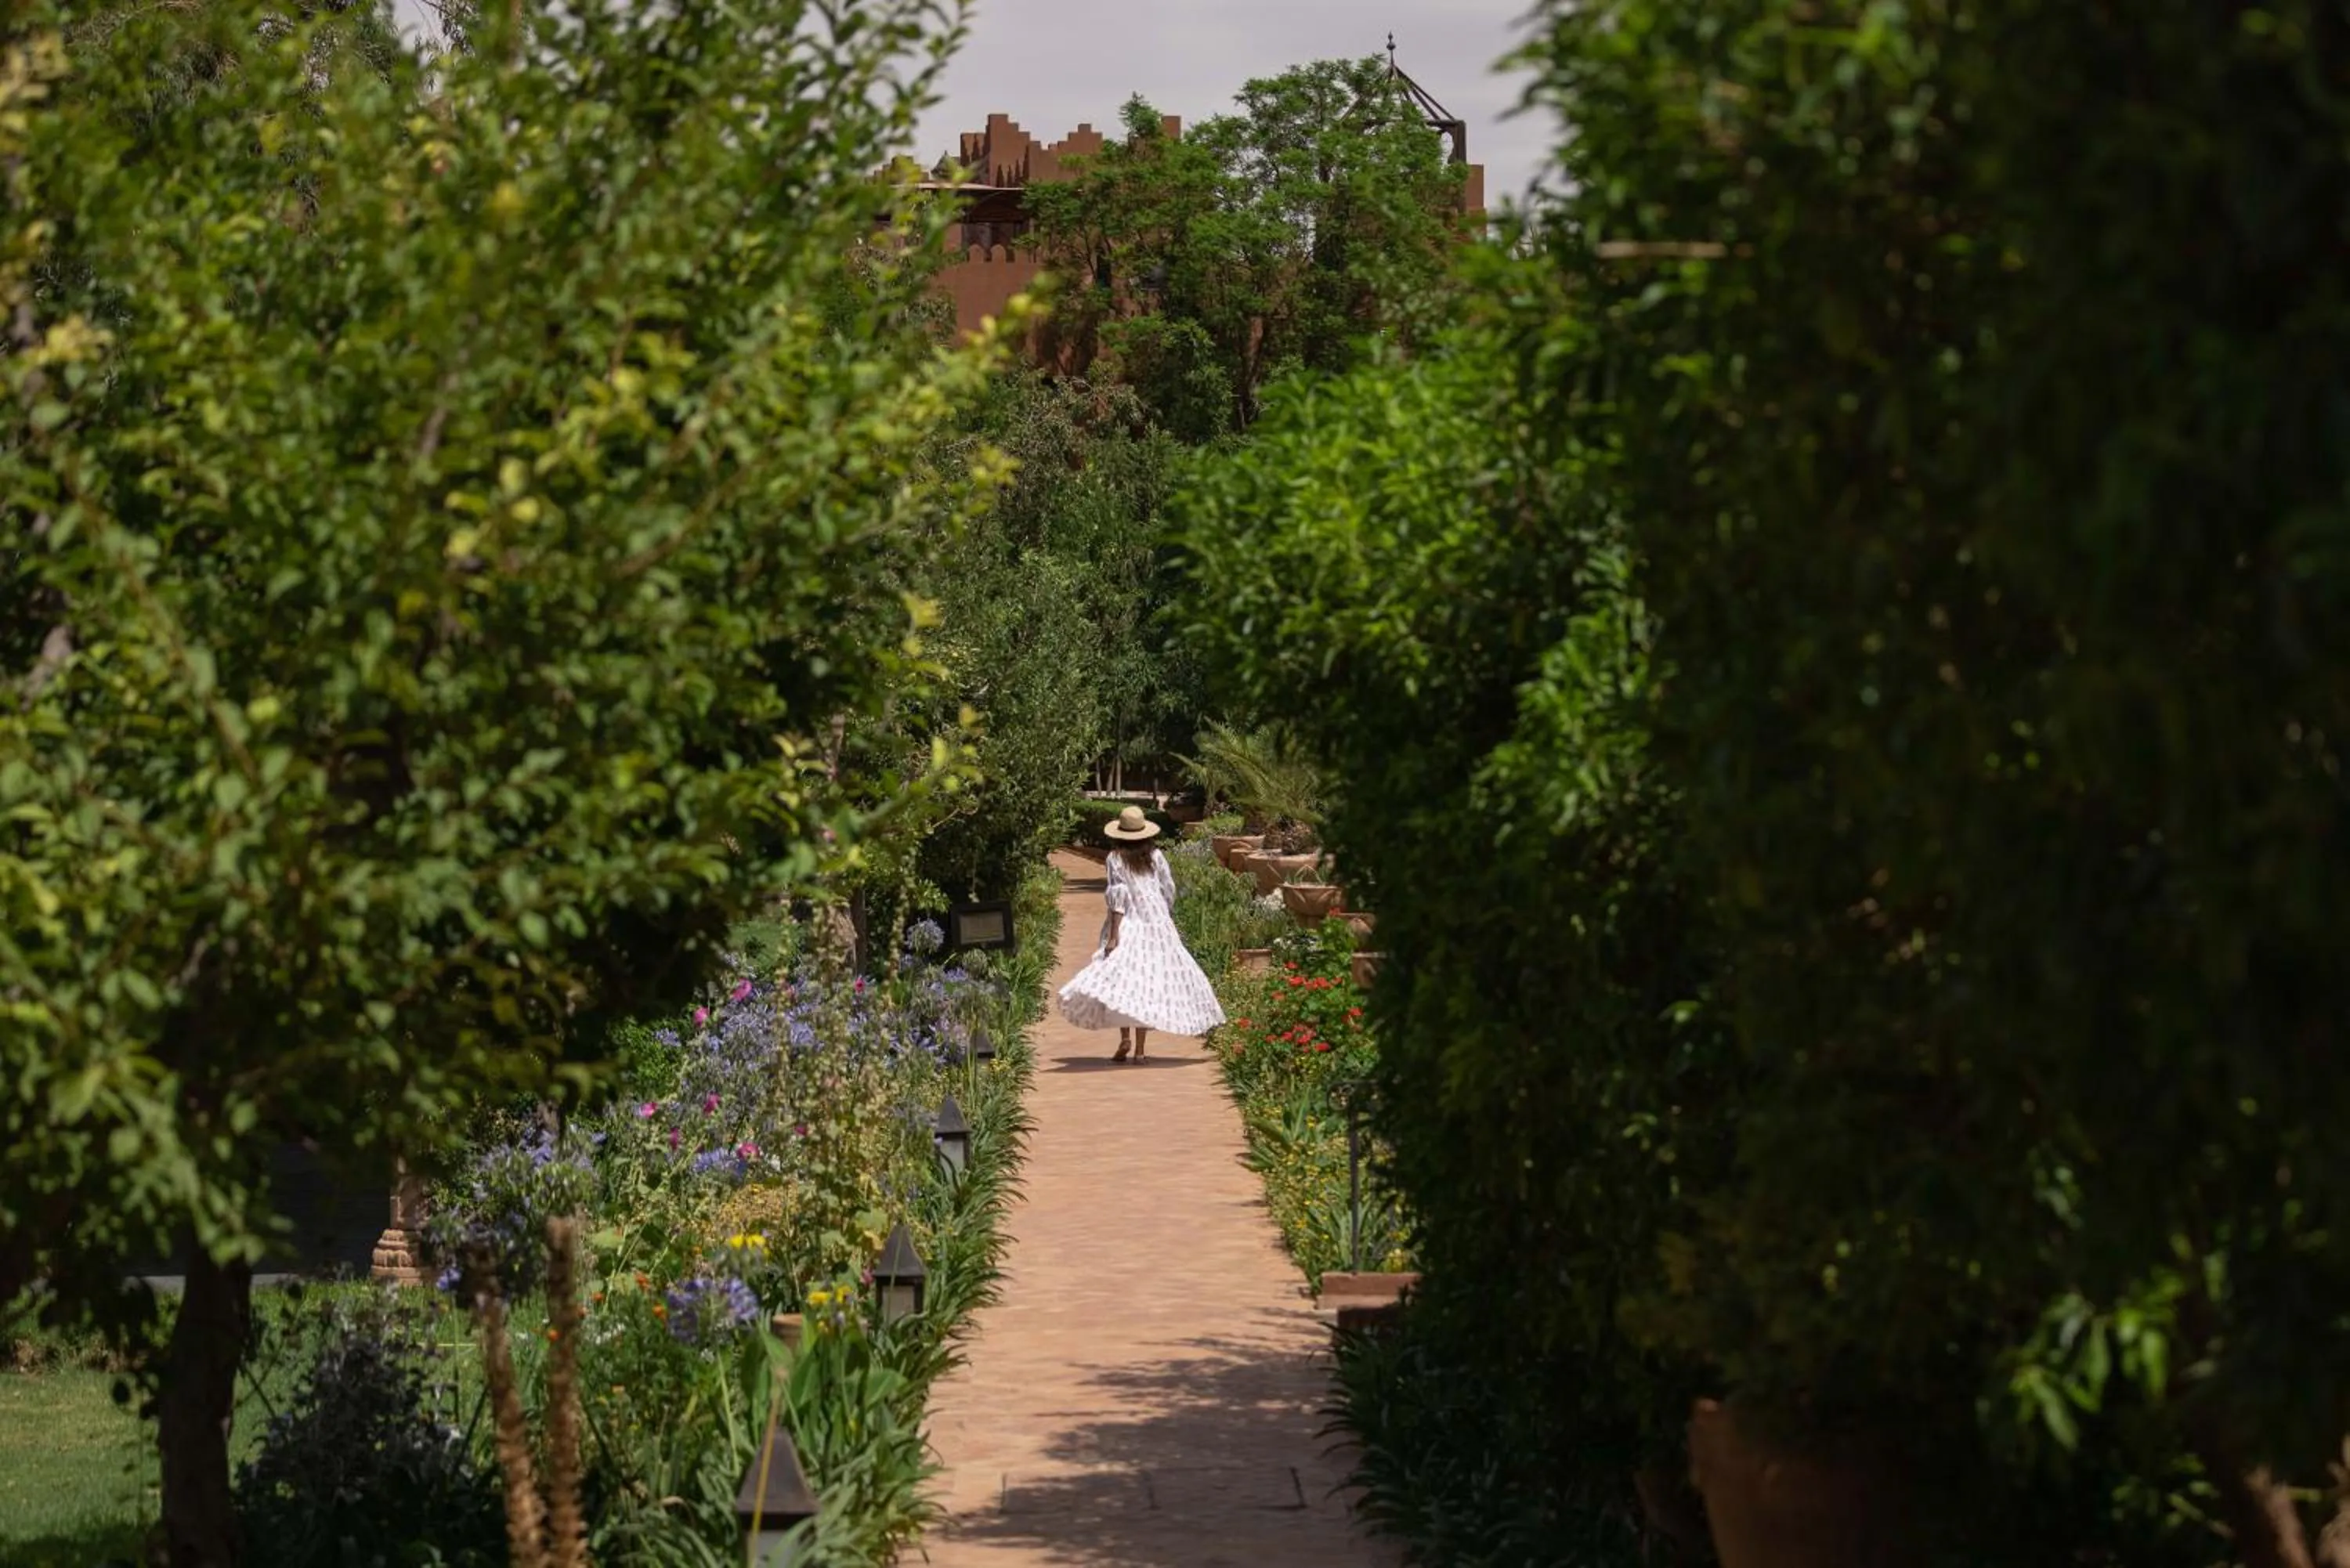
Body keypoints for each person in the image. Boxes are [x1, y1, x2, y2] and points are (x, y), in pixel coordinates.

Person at [1058, 807, 1225, 1060]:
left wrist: (1114, 936)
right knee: (1148, 984)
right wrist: (1164, 915)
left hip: (1129, 922)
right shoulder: (1155, 855)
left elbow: (1118, 898)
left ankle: (1124, 1038)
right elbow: (1168, 889)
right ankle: (1140, 1051)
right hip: (1156, 923)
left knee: (1122, 979)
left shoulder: (1115, 858)